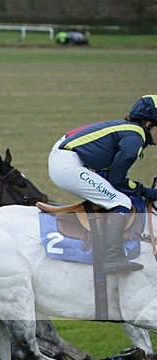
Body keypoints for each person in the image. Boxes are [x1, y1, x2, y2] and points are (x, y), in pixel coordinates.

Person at [47, 94, 157, 274]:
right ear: (148, 123)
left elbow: (112, 177)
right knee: (121, 202)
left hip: (66, 159)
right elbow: (118, 180)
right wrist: (147, 191)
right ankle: (111, 257)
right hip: (67, 164)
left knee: (116, 196)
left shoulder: (130, 131)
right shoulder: (134, 137)